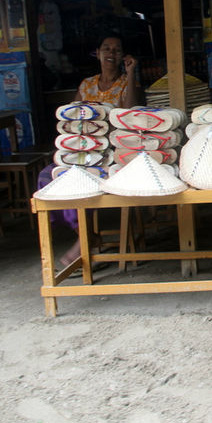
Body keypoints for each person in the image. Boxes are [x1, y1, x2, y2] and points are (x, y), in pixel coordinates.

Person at [38, 35, 141, 266]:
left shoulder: (127, 83)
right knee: (48, 177)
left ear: (123, 56)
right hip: (82, 149)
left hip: (110, 151)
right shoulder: (86, 85)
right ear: (98, 52)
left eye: (117, 49)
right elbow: (71, 118)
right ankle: (83, 234)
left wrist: (132, 73)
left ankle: (84, 240)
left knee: (84, 179)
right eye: (106, 48)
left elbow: (131, 113)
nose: (111, 53)